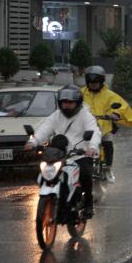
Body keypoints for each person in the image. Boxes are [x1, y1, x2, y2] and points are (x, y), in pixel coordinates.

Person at [24, 85, 101, 218]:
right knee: (40, 173)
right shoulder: (56, 116)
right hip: (58, 154)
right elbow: (44, 129)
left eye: (70, 102)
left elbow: (94, 132)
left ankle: (88, 204)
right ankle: (53, 199)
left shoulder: (85, 116)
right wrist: (33, 142)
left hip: (80, 154)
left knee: (86, 175)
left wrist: (92, 147)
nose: (67, 105)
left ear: (77, 103)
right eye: (64, 102)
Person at [81, 66, 132, 183]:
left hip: (104, 126)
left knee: (108, 142)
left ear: (101, 82)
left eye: (96, 82)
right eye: (91, 82)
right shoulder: (80, 93)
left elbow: (120, 105)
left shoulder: (109, 95)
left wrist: (115, 114)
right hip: (84, 127)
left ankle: (108, 167)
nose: (93, 85)